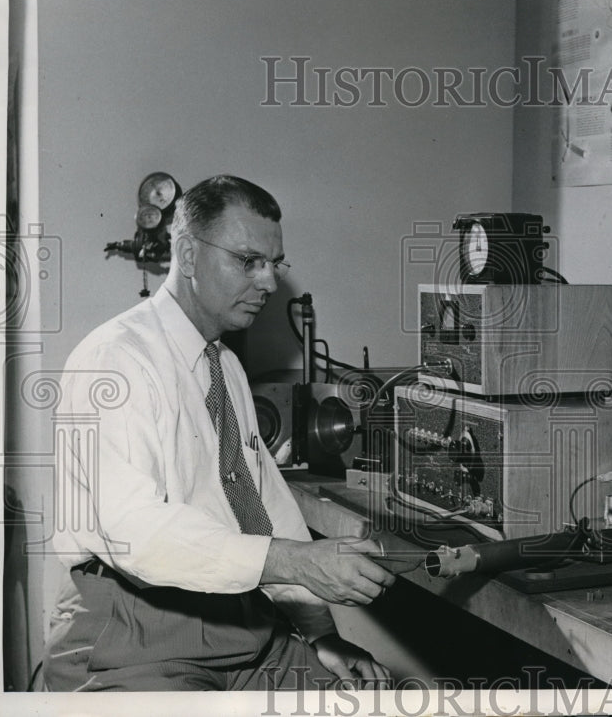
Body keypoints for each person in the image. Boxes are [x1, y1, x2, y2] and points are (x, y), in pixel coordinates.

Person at [42, 175, 396, 692]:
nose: (270, 283)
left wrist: (321, 634)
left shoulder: (223, 365)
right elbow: (134, 532)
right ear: (186, 254)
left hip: (242, 628)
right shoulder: (114, 361)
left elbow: (265, 508)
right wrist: (295, 563)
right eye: (248, 260)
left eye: (275, 264)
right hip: (131, 635)